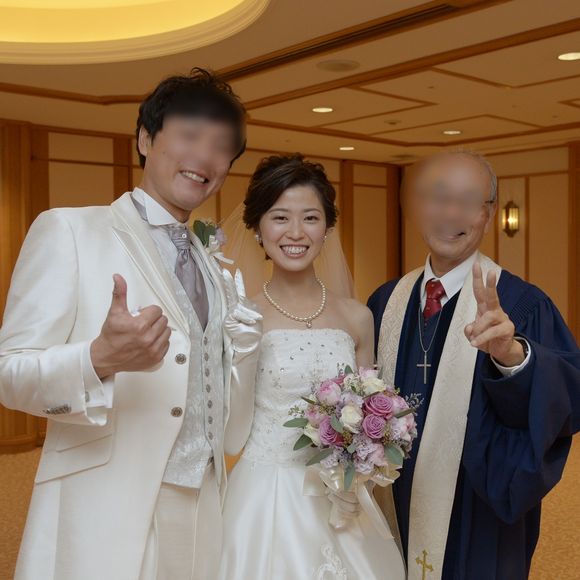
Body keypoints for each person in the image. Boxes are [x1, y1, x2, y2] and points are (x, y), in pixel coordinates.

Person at [0, 68, 262, 580]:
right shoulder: (70, 230)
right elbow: (9, 373)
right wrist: (97, 360)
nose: (205, 157)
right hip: (107, 504)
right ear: (145, 139)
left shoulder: (214, 264)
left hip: (205, 502)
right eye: (189, 135)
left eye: (221, 147)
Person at [367, 150, 580, 580]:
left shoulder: (522, 305)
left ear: (489, 214)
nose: (451, 213)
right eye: (439, 197)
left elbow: (566, 402)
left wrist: (513, 357)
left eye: (468, 201)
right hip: (390, 501)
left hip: (474, 515)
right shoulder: (385, 301)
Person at [218, 154, 406, 580]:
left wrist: (363, 464)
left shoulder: (357, 317)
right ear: (257, 228)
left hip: (341, 493)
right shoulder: (242, 319)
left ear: (327, 228)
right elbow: (231, 438)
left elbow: (368, 411)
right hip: (266, 495)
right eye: (280, 217)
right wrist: (244, 353)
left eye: (310, 217)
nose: (296, 232)